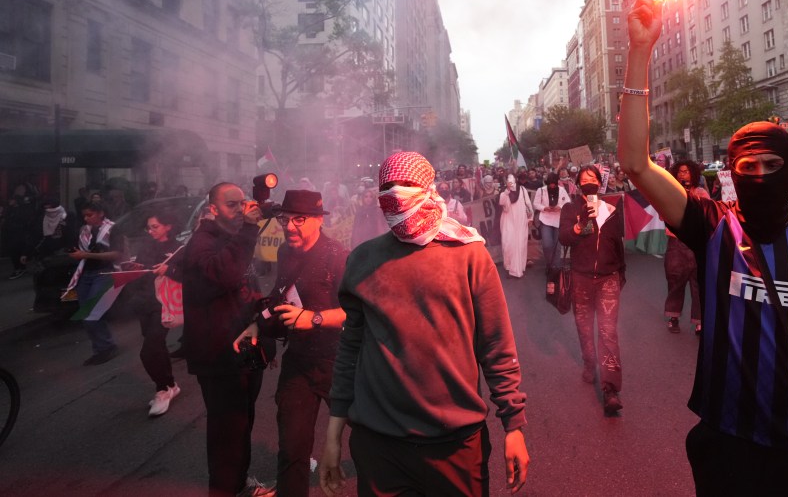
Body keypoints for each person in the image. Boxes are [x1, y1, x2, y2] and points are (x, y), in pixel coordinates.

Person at [619, 0, 788, 495]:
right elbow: (635, 163)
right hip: (735, 436)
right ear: (733, 174)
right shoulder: (712, 223)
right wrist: (640, 52)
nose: (760, 177)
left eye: (772, 167)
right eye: (748, 168)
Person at [320, 152, 529, 497]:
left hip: (455, 446)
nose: (397, 193)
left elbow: (496, 345)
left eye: (407, 184)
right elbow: (350, 350)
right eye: (387, 186)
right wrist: (332, 435)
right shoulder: (362, 260)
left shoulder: (469, 254)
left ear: (430, 189)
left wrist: (514, 427)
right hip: (378, 446)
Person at [234, 190, 348, 497]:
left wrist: (314, 318)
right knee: (292, 448)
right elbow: (278, 300)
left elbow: (358, 312)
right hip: (298, 362)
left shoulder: (337, 256)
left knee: (367, 439)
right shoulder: (283, 253)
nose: (291, 226)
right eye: (286, 219)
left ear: (318, 221)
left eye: (300, 219)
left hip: (339, 362)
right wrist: (258, 324)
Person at [182, 182, 273, 497]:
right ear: (212, 209)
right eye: (231, 205)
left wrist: (264, 324)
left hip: (244, 347)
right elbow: (226, 275)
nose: (240, 211)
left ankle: (239, 483)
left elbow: (248, 284)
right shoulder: (201, 242)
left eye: (242, 203)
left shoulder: (232, 238)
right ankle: (225, 490)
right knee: (226, 430)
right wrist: (249, 231)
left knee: (242, 422)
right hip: (219, 353)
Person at [558, 165, 626, 415]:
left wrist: (621, 272)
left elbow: (617, 242)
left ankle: (611, 389)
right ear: (577, 185)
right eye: (584, 180)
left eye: (593, 179)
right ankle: (589, 362)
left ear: (601, 183)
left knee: (608, 332)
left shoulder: (611, 209)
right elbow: (564, 238)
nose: (589, 183)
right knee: (585, 328)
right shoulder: (570, 208)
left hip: (608, 278)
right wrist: (581, 223)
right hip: (581, 278)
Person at [122, 211, 184, 417]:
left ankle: (162, 390)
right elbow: (142, 271)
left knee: (148, 351)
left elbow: (189, 276)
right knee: (157, 347)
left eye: (154, 227)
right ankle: (170, 385)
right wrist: (134, 268)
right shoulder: (146, 246)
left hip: (164, 304)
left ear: (168, 226)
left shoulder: (179, 249)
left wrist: (168, 270)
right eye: (148, 228)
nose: (150, 231)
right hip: (144, 303)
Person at [68, 202, 123, 365]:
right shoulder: (84, 230)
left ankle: (106, 347)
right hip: (85, 274)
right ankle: (101, 347)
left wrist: (86, 255)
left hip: (105, 273)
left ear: (100, 213)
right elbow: (79, 251)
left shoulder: (113, 229)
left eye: (90, 215)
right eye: (84, 215)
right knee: (88, 315)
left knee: (92, 315)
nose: (86, 218)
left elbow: (116, 254)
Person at [664, 161, 704, 335]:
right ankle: (673, 318)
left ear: (693, 174)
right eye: (680, 172)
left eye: (686, 172)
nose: (682, 175)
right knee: (675, 282)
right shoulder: (670, 193)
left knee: (699, 284)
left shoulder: (701, 192)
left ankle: (699, 322)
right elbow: (663, 212)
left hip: (696, 243)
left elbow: (707, 215)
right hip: (676, 243)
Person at [533, 172, 571, 276]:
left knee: (557, 245)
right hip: (545, 219)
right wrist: (544, 208)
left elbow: (567, 202)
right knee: (547, 244)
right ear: (547, 183)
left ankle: (556, 267)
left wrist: (560, 207)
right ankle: (549, 264)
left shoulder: (562, 190)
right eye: (550, 184)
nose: (552, 186)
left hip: (558, 220)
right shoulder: (541, 190)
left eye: (554, 184)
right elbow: (536, 204)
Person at [499, 174, 533, 279]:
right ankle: (509, 266)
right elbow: (501, 202)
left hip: (521, 220)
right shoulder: (504, 192)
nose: (511, 183)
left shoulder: (522, 189)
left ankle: (518, 268)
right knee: (508, 243)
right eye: (509, 181)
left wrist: (530, 218)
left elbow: (528, 203)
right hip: (508, 220)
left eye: (512, 180)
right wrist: (507, 190)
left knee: (520, 244)